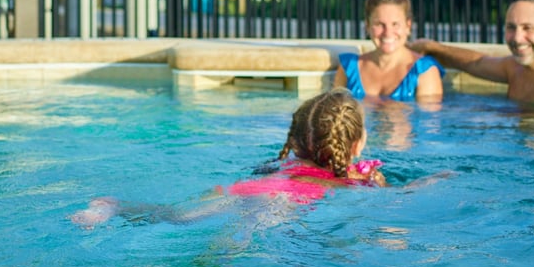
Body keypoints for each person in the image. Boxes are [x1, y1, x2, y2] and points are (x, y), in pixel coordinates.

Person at [70, 88, 385, 229]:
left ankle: (115, 207)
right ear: (358, 144)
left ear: (298, 139)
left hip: (243, 189)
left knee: (175, 216)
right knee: (231, 248)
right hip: (280, 201)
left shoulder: (280, 164)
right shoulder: (361, 177)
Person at [333, 0, 444, 101]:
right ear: (367, 26)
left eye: (395, 24)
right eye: (379, 24)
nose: (388, 32)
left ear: (408, 26)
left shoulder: (425, 71)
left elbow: (431, 120)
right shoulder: (348, 68)